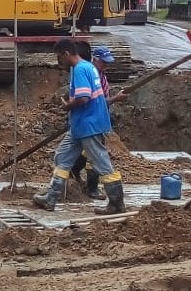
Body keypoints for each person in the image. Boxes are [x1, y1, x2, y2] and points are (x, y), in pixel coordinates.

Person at [33, 38, 126, 215]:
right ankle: (51, 197)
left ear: (66, 54)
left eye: (59, 57)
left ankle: (116, 203)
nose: (58, 61)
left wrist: (67, 106)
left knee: (102, 163)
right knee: (62, 157)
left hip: (88, 124)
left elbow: (84, 97)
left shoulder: (80, 70)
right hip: (80, 126)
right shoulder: (88, 66)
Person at [70, 46, 127, 199]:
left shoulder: (99, 74)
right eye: (104, 62)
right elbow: (95, 101)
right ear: (95, 59)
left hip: (95, 119)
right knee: (95, 156)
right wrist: (115, 98)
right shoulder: (90, 73)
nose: (106, 65)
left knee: (87, 151)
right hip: (92, 120)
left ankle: (73, 171)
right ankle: (93, 189)